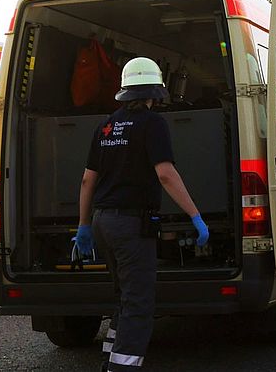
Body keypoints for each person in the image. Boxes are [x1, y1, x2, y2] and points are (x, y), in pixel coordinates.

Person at [75, 57, 210, 372]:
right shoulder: (153, 124)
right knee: (139, 302)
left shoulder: (106, 125)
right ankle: (122, 367)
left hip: (102, 222)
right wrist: (195, 215)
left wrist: (83, 225)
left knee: (124, 295)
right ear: (154, 90)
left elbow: (87, 180)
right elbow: (165, 174)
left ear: (125, 90)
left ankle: (110, 358)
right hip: (130, 225)